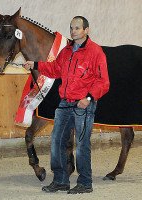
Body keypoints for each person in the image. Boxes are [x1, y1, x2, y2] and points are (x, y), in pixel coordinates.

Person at [24, 16, 110, 194]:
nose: (73, 31)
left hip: (83, 105)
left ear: (86, 30)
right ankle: (61, 180)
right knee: (56, 141)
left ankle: (85, 182)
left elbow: (103, 82)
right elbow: (55, 69)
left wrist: (88, 97)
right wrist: (36, 64)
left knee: (82, 144)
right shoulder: (66, 51)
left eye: (77, 28)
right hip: (64, 104)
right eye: (71, 28)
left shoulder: (96, 52)